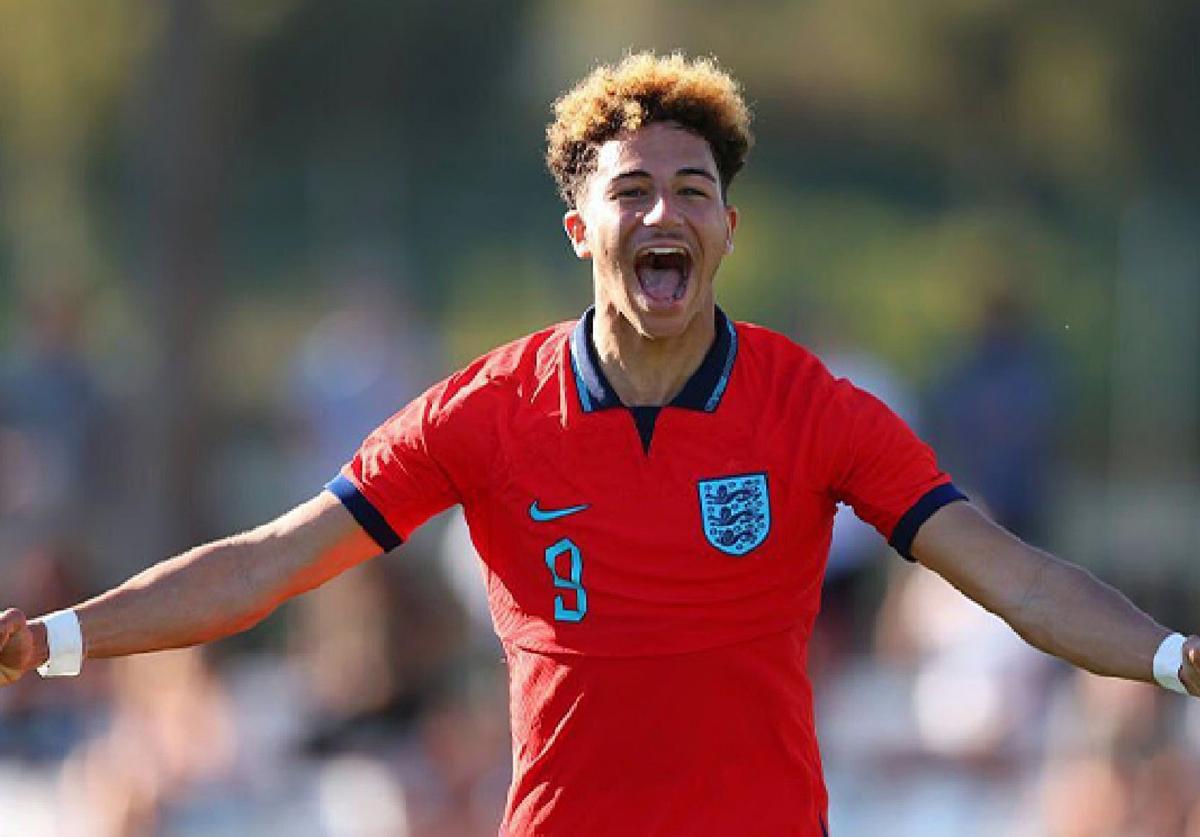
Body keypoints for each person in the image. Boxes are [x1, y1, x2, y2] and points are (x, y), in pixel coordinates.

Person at [1, 52, 1197, 836]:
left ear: (730, 227)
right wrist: (48, 639)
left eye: (690, 189)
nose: (663, 212)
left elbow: (1019, 577)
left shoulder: (814, 409)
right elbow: (267, 563)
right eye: (632, 192)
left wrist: (1174, 658)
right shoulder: (482, 412)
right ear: (583, 229)